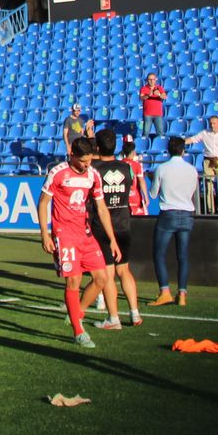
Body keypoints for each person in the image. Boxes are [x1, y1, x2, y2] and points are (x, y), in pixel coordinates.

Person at [38, 137, 120, 349]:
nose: (87, 165)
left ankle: (77, 313)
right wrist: (45, 234)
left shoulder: (93, 174)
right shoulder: (58, 173)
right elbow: (43, 202)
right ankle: (78, 331)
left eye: (90, 160)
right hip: (65, 234)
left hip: (86, 233)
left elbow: (101, 208)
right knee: (73, 281)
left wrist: (112, 239)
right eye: (83, 161)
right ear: (72, 156)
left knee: (102, 278)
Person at [80, 129, 138, 328]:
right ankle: (135, 313)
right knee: (125, 270)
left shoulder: (93, 169)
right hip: (124, 222)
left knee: (108, 273)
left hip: (103, 227)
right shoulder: (126, 167)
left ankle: (113, 318)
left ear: (97, 147)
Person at [148, 135, 198, 306]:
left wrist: (151, 178)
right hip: (186, 213)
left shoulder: (162, 168)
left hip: (168, 213)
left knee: (159, 254)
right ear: (183, 151)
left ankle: (165, 291)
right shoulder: (192, 169)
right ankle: (182, 294)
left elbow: (153, 194)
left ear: (168, 150)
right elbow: (192, 191)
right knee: (183, 256)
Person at [185, 114, 218, 210]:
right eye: (210, 123)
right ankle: (210, 209)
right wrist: (180, 142)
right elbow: (193, 139)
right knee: (208, 186)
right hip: (208, 161)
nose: (212, 125)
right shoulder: (204, 133)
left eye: (214, 123)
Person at [139, 73, 167, 138]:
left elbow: (165, 97)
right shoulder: (144, 88)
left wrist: (159, 94)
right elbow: (141, 98)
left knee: (160, 132)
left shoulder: (159, 88)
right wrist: (148, 95)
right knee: (146, 132)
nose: (151, 81)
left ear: (155, 80)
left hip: (158, 114)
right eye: (149, 79)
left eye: (153, 79)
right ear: (147, 80)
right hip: (147, 114)